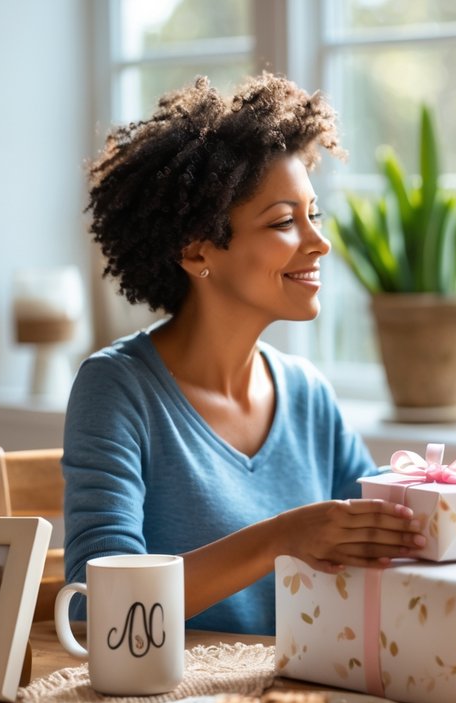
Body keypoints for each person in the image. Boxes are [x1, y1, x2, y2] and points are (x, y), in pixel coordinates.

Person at [66, 73, 425, 636]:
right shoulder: (117, 388)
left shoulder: (305, 392)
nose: (319, 242)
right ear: (196, 250)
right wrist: (282, 539)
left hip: (304, 701)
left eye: (314, 215)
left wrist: (433, 492)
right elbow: (99, 608)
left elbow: (377, 525)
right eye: (284, 221)